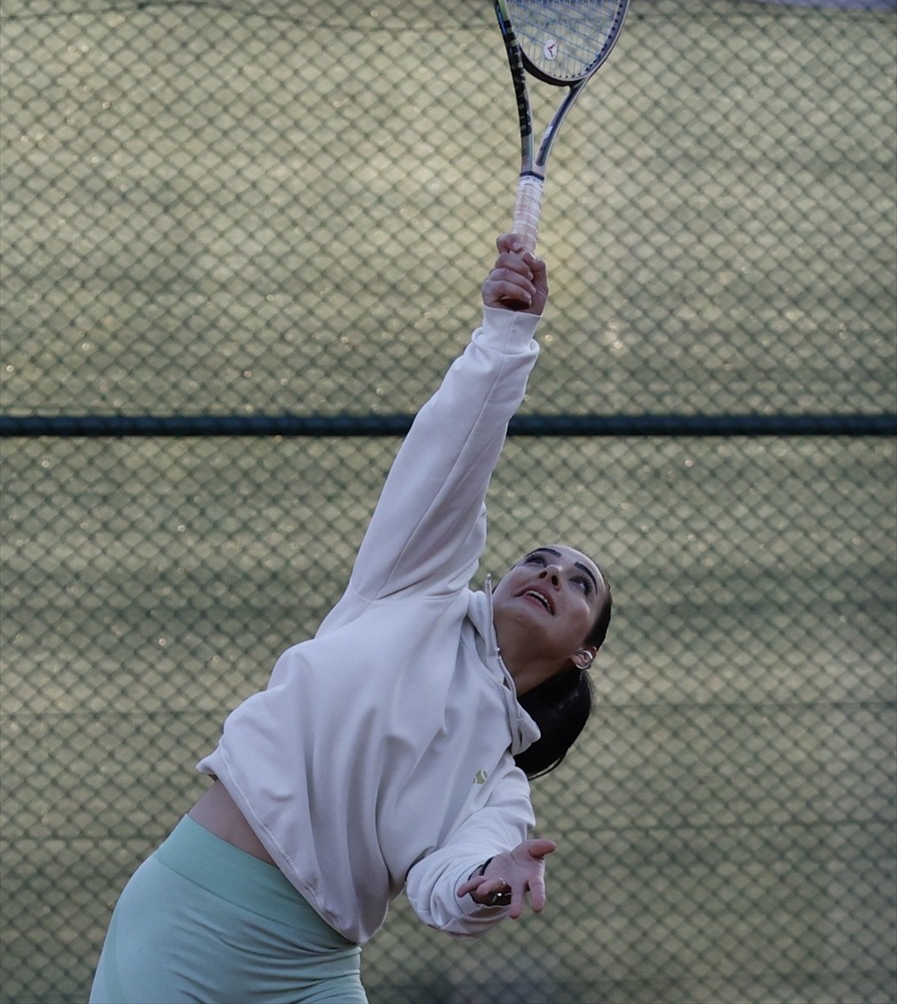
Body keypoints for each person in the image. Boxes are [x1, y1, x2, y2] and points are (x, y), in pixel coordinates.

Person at [89, 233, 613, 1004]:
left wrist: (484, 882)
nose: (551, 574)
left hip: (311, 967)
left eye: (580, 584)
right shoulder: (415, 586)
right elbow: (451, 457)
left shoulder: (499, 790)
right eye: (540, 558)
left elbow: (447, 877)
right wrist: (506, 335)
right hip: (188, 921)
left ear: (582, 653)